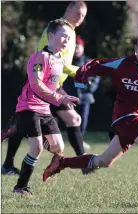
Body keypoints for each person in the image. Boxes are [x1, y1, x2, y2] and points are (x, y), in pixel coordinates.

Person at [43, 29, 138, 205]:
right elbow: (98, 65)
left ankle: (61, 162)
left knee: (104, 160)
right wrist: (82, 74)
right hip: (124, 116)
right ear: (136, 49)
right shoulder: (123, 64)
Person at [1, 1, 92, 175]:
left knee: (24, 125)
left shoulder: (70, 32)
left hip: (55, 85)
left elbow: (61, 63)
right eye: (78, 13)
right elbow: (44, 55)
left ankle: (7, 165)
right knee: (70, 120)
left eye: (83, 16)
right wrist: (81, 71)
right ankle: (83, 163)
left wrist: (80, 72)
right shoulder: (57, 30)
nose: (80, 18)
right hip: (43, 85)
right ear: (68, 9)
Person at [13, 19, 80, 198]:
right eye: (63, 36)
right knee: (36, 149)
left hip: (44, 109)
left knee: (58, 147)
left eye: (69, 37)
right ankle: (20, 187)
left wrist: (90, 70)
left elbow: (68, 72)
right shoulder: (40, 57)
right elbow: (35, 84)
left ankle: (51, 163)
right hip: (28, 108)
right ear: (50, 36)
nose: (66, 40)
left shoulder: (59, 60)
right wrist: (60, 98)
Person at [63, 35, 100, 144]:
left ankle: (80, 139)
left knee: (83, 119)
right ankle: (72, 139)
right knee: (70, 118)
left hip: (85, 97)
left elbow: (96, 78)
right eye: (74, 47)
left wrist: (89, 88)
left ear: (83, 47)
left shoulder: (89, 63)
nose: (76, 49)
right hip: (70, 97)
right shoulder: (67, 62)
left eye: (78, 47)